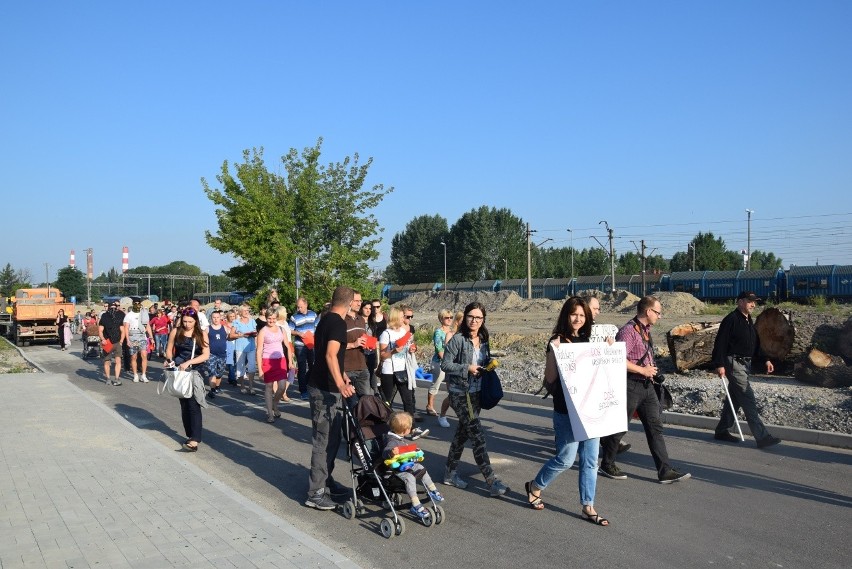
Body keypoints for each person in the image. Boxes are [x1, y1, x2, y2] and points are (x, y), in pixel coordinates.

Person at [526, 297, 609, 526]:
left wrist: (609, 350)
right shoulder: (557, 341)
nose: (578, 319)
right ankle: (535, 486)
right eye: (574, 314)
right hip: (566, 410)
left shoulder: (589, 340)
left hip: (591, 410)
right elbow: (550, 379)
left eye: (582, 315)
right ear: (566, 315)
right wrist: (555, 353)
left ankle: (588, 506)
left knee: (591, 461)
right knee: (565, 459)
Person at [599, 296, 691, 484]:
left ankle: (664, 471)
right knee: (619, 427)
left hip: (647, 386)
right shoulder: (628, 332)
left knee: (655, 427)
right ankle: (607, 463)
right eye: (658, 312)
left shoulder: (645, 331)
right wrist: (642, 369)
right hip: (631, 385)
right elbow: (617, 359)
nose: (660, 316)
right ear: (648, 311)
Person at [440, 302, 509, 497]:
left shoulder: (484, 338)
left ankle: (449, 473)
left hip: (477, 393)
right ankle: (491, 481)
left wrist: (488, 367)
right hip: (460, 393)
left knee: (462, 434)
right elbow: (445, 364)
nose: (474, 320)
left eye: (478, 318)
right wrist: (467, 368)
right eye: (471, 316)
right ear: (465, 317)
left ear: (483, 320)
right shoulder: (457, 340)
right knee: (477, 436)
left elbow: (482, 360)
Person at [305, 286, 357, 510]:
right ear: (349, 302)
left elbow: (335, 357)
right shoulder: (337, 322)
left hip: (328, 387)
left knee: (333, 438)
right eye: (357, 301)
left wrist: (343, 377)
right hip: (324, 390)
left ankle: (326, 481)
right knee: (323, 441)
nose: (358, 305)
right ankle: (315, 493)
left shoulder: (326, 319)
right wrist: (339, 384)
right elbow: (329, 355)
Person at [711, 291, 781, 448]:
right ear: (740, 302)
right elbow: (720, 343)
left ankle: (722, 430)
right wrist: (719, 364)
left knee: (735, 398)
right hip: (734, 363)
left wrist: (765, 359)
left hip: (745, 364)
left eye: (754, 301)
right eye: (750, 301)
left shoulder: (749, 320)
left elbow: (755, 344)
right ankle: (762, 437)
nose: (753, 304)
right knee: (747, 397)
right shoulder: (731, 320)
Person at [587, 296, 631, 456]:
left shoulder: (598, 331)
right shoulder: (574, 330)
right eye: (595, 308)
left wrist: (609, 347)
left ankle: (610, 442)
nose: (598, 312)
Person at [382, 411, 445, 521]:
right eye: (410, 427)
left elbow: (406, 449)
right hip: (396, 470)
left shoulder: (400, 438)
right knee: (410, 478)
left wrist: (415, 451)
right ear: (405, 430)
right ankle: (415, 505)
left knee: (421, 468)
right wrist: (392, 452)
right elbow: (385, 452)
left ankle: (432, 489)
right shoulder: (392, 441)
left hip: (407, 464)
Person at [165, 308, 210, 452]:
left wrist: (189, 362)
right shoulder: (175, 331)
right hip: (179, 371)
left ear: (196, 320)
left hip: (195, 371)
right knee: (184, 403)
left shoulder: (201, 334)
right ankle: (190, 435)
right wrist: (169, 360)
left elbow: (206, 355)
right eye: (184, 321)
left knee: (193, 404)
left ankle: (195, 439)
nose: (187, 324)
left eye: (190, 321)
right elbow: (169, 349)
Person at [378, 307, 418, 415]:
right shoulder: (386, 334)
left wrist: (412, 348)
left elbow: (410, 346)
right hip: (389, 371)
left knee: (408, 399)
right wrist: (393, 351)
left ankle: (411, 426)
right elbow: (382, 356)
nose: (404, 319)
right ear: (395, 318)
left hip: (403, 368)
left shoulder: (404, 332)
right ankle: (386, 425)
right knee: (387, 400)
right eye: (402, 317)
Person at [256, 308, 290, 423]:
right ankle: (270, 413)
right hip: (267, 360)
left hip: (281, 360)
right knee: (269, 387)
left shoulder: (281, 329)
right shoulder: (263, 331)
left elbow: (287, 345)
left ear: (277, 318)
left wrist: (291, 361)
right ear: (266, 318)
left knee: (282, 387)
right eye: (269, 318)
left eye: (274, 318)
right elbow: (259, 350)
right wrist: (260, 369)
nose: (271, 320)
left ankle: (275, 403)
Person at [426, 309, 454, 424]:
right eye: (446, 317)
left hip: (451, 363)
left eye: (451, 317)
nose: (449, 319)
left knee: (452, 387)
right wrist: (445, 360)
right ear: (441, 319)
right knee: (436, 383)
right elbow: (439, 348)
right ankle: (429, 405)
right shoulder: (438, 332)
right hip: (439, 362)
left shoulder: (453, 332)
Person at [344, 290, 371, 398]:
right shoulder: (341, 320)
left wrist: (368, 344)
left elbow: (363, 339)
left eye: (360, 300)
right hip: (347, 369)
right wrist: (353, 344)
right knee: (352, 403)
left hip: (362, 366)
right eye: (356, 301)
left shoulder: (361, 320)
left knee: (366, 402)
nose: (359, 303)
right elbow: (335, 346)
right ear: (349, 302)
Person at [291, 297, 318, 401]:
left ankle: (308, 384)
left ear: (306, 305)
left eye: (300, 307)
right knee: (302, 368)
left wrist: (315, 336)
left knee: (313, 366)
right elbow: (289, 330)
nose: (299, 309)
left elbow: (317, 326)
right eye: (297, 307)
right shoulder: (294, 317)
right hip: (300, 345)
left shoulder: (313, 314)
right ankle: (303, 391)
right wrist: (298, 333)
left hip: (311, 344)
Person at [123, 298, 153, 383]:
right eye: (135, 303)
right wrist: (127, 340)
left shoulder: (144, 314)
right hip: (133, 336)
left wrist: (151, 337)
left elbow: (148, 326)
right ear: (133, 304)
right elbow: (126, 328)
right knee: (134, 356)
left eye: (138, 303)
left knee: (144, 355)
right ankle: (135, 375)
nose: (137, 304)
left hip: (142, 335)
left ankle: (143, 375)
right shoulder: (129, 315)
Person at [231, 304, 258, 395]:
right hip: (240, 347)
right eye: (245, 310)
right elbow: (231, 335)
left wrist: (254, 334)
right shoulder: (236, 322)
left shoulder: (252, 321)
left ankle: (251, 386)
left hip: (251, 346)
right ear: (240, 312)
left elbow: (256, 332)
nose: (247, 312)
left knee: (252, 367)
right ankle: (242, 386)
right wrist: (242, 335)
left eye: (248, 310)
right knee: (240, 367)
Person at [99, 302, 126, 385]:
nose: (113, 309)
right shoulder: (104, 316)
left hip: (117, 341)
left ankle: (117, 378)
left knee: (118, 360)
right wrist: (103, 339)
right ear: (109, 308)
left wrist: (121, 341)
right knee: (107, 361)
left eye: (115, 307)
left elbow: (122, 330)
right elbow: (100, 330)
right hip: (107, 341)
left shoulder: (119, 316)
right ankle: (108, 378)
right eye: (112, 307)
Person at [204, 310, 229, 401]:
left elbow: (231, 336)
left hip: (222, 354)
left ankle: (217, 387)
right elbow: (204, 340)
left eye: (217, 317)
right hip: (211, 354)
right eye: (214, 317)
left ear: (220, 318)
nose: (216, 319)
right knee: (212, 371)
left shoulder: (225, 328)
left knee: (220, 372)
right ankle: (212, 389)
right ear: (211, 318)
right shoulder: (207, 329)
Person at [360, 301, 378, 393]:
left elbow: (375, 339)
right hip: (360, 353)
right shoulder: (358, 321)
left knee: (372, 374)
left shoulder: (373, 323)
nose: (368, 310)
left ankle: (376, 393)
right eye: (366, 308)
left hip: (371, 352)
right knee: (363, 376)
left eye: (370, 308)